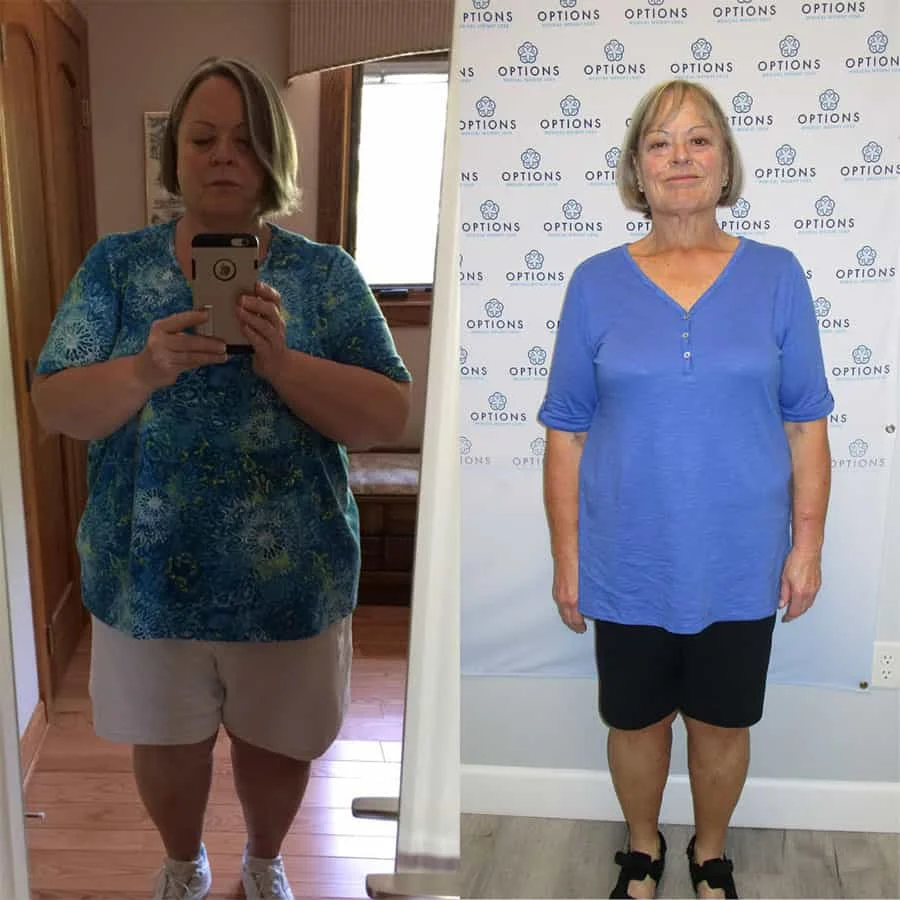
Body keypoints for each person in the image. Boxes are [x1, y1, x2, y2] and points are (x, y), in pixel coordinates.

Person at [31, 56, 412, 900]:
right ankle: (184, 865)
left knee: (279, 744)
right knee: (166, 742)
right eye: (201, 138)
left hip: (291, 579)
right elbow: (55, 404)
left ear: (273, 155)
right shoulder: (117, 268)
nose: (222, 155)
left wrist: (283, 364)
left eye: (244, 139)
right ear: (175, 155)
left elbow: (387, 416)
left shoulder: (326, 275)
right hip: (148, 575)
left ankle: (266, 862)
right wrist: (144, 369)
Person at [538, 79, 833, 900]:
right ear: (637, 165)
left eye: (699, 139)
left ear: (725, 160)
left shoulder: (777, 276)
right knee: (634, 722)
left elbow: (807, 422)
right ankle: (641, 848)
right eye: (661, 142)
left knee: (721, 722)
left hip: (741, 558)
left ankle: (709, 850)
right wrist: (569, 559)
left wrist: (806, 547)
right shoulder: (594, 283)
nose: (680, 157)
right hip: (627, 555)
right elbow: (567, 430)